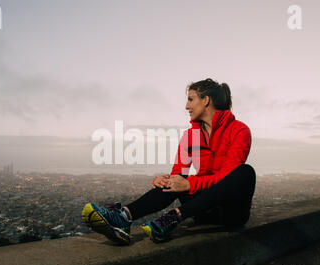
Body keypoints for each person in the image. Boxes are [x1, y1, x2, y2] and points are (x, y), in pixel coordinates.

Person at [82, 78, 256, 244]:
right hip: (201, 210)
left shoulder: (239, 130)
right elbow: (178, 174)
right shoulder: (190, 137)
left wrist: (189, 184)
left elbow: (227, 177)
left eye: (190, 99)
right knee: (176, 178)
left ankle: (174, 217)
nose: (186, 106)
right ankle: (123, 217)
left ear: (206, 100)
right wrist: (166, 180)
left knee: (245, 172)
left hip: (231, 212)